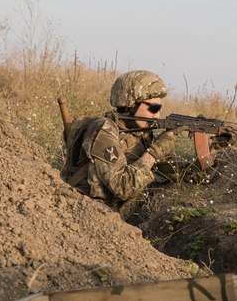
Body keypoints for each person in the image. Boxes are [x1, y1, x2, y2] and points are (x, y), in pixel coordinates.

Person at [60, 70, 182, 212]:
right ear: (130, 104)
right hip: (87, 211)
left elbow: (174, 171)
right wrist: (154, 152)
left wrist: (207, 158)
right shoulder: (103, 130)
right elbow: (123, 187)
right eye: (153, 109)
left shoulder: (140, 133)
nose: (157, 115)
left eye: (160, 109)